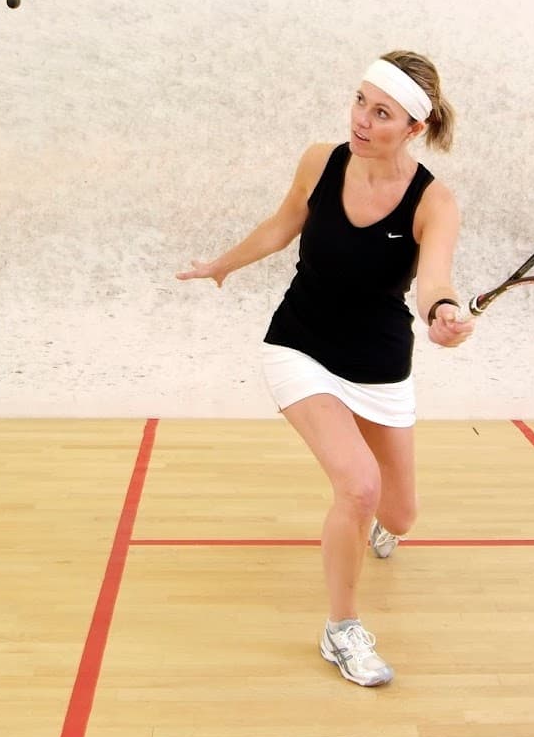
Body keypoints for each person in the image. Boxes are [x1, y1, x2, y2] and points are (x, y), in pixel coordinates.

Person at [176, 50, 474, 687]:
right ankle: (342, 631)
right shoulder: (321, 160)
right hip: (300, 343)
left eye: (382, 112)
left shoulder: (434, 203)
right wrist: (225, 262)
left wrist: (445, 312)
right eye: (360, 101)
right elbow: (284, 224)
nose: (362, 120)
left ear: (415, 128)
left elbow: (434, 284)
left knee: (398, 514)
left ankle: (382, 533)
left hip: (379, 364)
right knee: (358, 487)